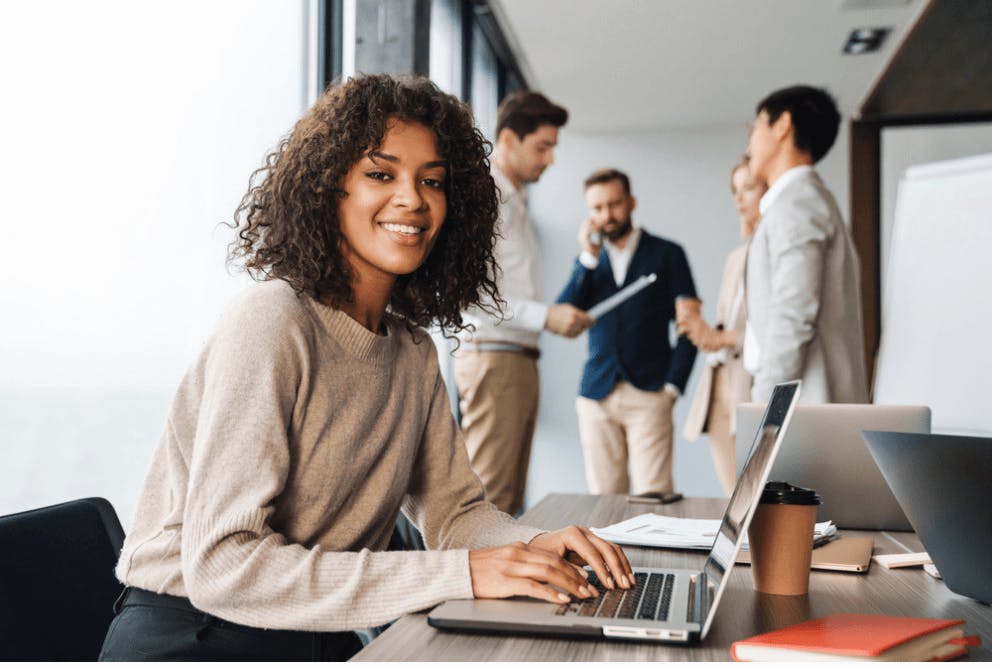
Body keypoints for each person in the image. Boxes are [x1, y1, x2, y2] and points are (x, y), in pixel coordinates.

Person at [98, 75, 632, 662]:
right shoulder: (274, 321)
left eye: (433, 181)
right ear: (331, 189)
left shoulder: (412, 352)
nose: (413, 198)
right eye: (382, 174)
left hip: (319, 633)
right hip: (196, 635)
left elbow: (455, 514)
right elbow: (223, 566)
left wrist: (535, 544)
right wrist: (461, 575)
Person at [455, 90, 590, 515]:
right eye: (542, 147)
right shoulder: (487, 196)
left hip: (514, 357)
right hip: (496, 356)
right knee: (489, 502)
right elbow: (470, 296)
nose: (550, 159)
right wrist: (545, 316)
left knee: (507, 501)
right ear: (509, 140)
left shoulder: (515, 199)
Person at [555, 168, 698, 497]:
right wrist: (587, 259)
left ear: (631, 202)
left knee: (653, 498)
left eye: (615, 204)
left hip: (650, 392)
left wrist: (673, 387)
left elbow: (690, 325)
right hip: (596, 394)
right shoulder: (590, 262)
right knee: (604, 502)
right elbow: (562, 317)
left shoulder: (667, 254)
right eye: (597, 208)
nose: (607, 215)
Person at [740, 85, 866, 404]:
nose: (749, 143)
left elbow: (793, 312)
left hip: (803, 405)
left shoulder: (797, 203)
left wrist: (764, 400)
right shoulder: (804, 200)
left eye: (754, 128)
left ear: (782, 125)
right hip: (807, 401)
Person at [679, 157, 764, 494]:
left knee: (758, 497)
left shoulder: (776, 254)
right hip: (718, 389)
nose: (739, 199)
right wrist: (698, 327)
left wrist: (721, 337)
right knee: (733, 498)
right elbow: (726, 324)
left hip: (752, 387)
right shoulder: (736, 257)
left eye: (748, 188)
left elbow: (776, 331)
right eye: (735, 191)